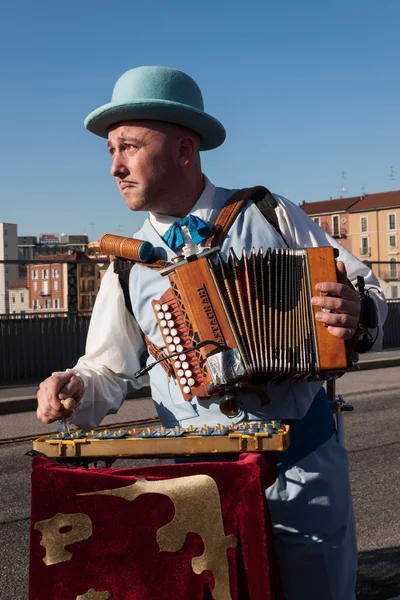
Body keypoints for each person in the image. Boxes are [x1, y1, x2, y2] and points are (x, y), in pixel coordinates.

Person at [37, 66, 387, 599]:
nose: (115, 166)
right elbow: (107, 368)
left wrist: (358, 313)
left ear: (183, 150)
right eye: (110, 150)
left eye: (128, 146)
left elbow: (366, 287)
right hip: (201, 487)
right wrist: (76, 388)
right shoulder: (127, 266)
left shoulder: (269, 213)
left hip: (304, 469)